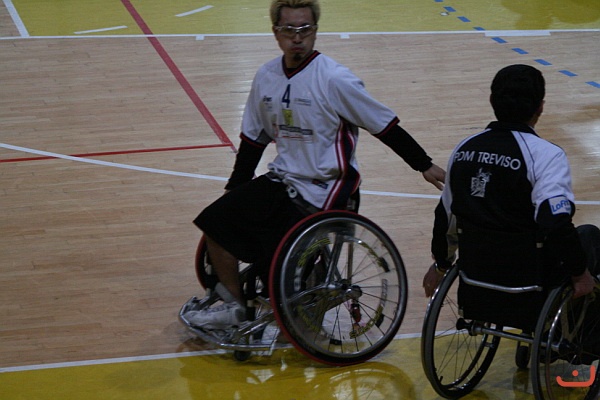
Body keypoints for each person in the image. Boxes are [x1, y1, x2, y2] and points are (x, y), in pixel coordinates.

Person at [184, 0, 446, 329]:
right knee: (215, 221)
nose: (297, 37)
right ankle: (234, 307)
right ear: (276, 33)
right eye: (289, 29)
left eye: (305, 29)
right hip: (284, 181)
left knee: (272, 251)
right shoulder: (266, 76)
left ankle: (294, 302)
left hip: (328, 189)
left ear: (315, 31)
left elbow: (383, 125)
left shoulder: (334, 79)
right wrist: (235, 190)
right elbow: (253, 140)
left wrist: (423, 164)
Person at [422, 64, 599, 300]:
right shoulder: (547, 155)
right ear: (540, 106)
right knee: (589, 237)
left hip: (475, 277)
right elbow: (555, 220)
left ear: (492, 101)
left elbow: (445, 217)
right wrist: (580, 274)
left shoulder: (464, 149)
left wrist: (441, 265)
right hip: (529, 281)